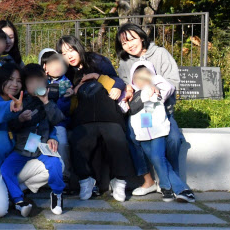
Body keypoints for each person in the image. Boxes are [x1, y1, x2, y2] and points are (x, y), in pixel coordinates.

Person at [115, 23, 190, 198]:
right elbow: (125, 84)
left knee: (173, 138)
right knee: (132, 136)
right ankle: (148, 180)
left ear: (141, 37)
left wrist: (156, 90)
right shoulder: (125, 62)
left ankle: (171, 179)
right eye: (124, 43)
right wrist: (127, 91)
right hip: (139, 113)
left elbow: (173, 80)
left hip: (162, 111)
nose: (129, 45)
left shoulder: (160, 54)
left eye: (132, 39)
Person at [57, 35, 133, 202]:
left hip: (108, 112)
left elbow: (117, 82)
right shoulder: (67, 72)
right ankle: (86, 180)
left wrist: (96, 77)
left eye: (71, 50)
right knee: (79, 141)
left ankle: (119, 181)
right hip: (83, 116)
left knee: (116, 140)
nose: (69, 56)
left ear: (78, 47)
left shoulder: (97, 60)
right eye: (63, 53)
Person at [0, 63, 49, 218]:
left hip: (11, 165)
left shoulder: (25, 104)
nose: (15, 84)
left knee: (52, 168)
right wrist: (11, 106)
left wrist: (52, 138)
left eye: (19, 80)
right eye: (10, 79)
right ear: (0, 80)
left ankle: (9, 191)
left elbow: (44, 124)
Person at [0, 64, 65, 216]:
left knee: (55, 163)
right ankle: (18, 200)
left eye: (39, 81)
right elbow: (12, 126)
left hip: (42, 145)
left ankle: (57, 194)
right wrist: (20, 119)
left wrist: (46, 102)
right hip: (23, 147)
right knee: (6, 168)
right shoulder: (21, 102)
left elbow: (57, 119)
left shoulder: (49, 101)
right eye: (31, 82)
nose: (36, 85)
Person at [127, 61, 195, 203]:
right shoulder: (131, 95)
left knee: (158, 158)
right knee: (157, 159)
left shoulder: (158, 89)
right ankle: (167, 189)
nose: (143, 80)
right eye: (138, 77)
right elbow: (122, 108)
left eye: (147, 76)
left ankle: (178, 189)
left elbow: (169, 87)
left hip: (158, 132)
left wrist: (154, 82)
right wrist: (127, 94)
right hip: (142, 135)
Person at [38, 48, 73, 179]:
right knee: (31, 145)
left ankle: (65, 175)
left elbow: (63, 111)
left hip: (58, 123)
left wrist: (64, 98)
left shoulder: (66, 83)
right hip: (39, 122)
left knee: (62, 144)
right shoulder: (39, 81)